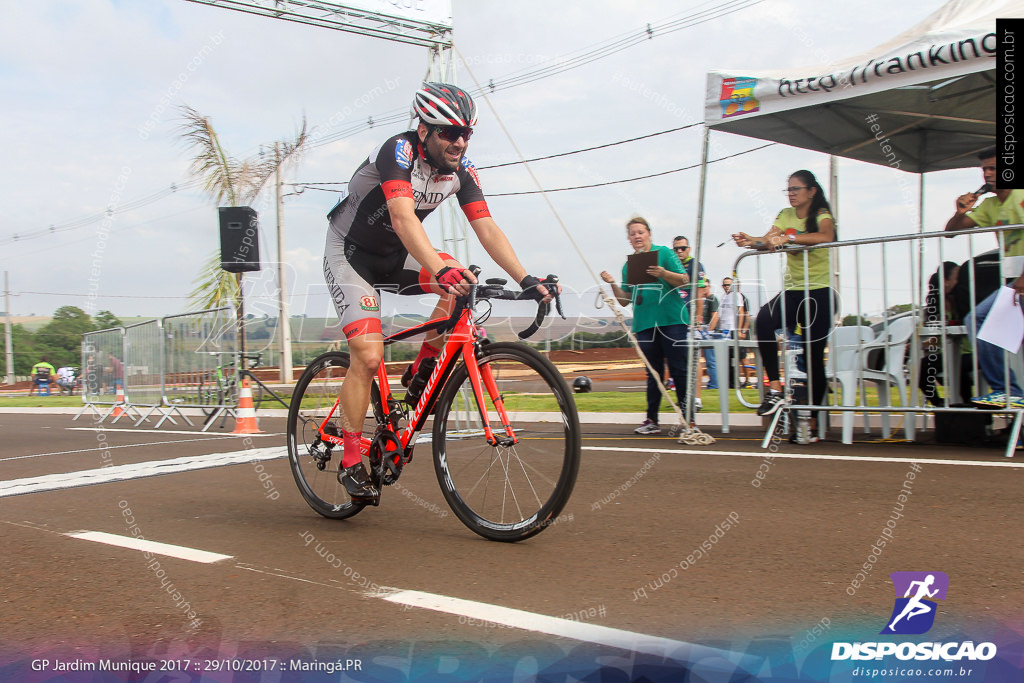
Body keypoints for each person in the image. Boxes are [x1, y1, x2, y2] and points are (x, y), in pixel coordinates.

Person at [323, 82, 556, 503]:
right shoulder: (398, 152)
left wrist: (526, 279)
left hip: (397, 256)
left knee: (461, 281)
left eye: (467, 132)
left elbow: (486, 226)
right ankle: (351, 459)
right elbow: (401, 215)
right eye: (449, 132)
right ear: (424, 129)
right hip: (351, 256)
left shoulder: (461, 170)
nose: (460, 141)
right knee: (369, 354)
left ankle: (420, 373)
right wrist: (437, 266)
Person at [732, 170, 838, 432]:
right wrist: (752, 241)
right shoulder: (785, 214)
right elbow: (769, 238)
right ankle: (775, 387)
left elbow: (826, 237)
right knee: (765, 321)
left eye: (795, 189)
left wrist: (790, 238)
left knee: (813, 358)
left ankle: (812, 422)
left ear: (811, 191)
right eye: (788, 190)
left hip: (818, 293)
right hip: (792, 291)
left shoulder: (822, 213)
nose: (790, 194)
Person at [944, 146, 1024, 408]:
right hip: (1014, 280)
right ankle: (1008, 391)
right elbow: (951, 232)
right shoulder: (991, 204)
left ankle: (1009, 390)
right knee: (977, 319)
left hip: (1020, 279)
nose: (988, 175)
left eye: (994, 168)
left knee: (979, 318)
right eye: (985, 170)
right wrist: (961, 211)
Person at [601, 217, 692, 435]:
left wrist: (663, 274)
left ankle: (688, 420)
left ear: (649, 233)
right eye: (633, 234)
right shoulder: (629, 266)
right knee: (653, 373)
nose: (637, 236)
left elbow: (685, 280)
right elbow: (624, 300)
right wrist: (612, 284)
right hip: (645, 324)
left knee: (679, 370)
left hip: (672, 320)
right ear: (629, 239)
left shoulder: (665, 254)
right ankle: (652, 419)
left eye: (640, 232)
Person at [919, 262, 973, 407]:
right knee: (922, 367)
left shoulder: (968, 301)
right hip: (949, 353)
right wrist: (917, 345)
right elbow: (937, 340)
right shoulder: (937, 308)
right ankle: (939, 404)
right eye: (957, 277)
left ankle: (971, 409)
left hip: (971, 352)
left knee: (957, 364)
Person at [717, 277, 750, 388]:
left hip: (733, 330)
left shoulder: (737, 296)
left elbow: (742, 313)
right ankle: (730, 381)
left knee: (738, 356)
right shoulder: (723, 297)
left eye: (729, 285)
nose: (727, 287)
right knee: (727, 357)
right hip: (724, 330)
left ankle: (742, 380)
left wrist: (740, 330)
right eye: (725, 285)